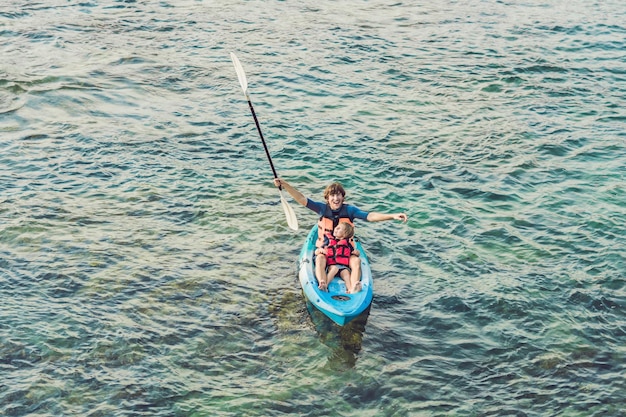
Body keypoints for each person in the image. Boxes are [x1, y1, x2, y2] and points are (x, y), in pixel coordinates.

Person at [273, 178, 407, 293]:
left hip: (345, 253)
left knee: (356, 261)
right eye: (332, 195)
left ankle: (354, 286)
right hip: (326, 250)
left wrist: (392, 216)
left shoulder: (350, 210)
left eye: (338, 195)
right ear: (327, 198)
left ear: (343, 197)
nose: (336, 198)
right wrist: (285, 184)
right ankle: (322, 283)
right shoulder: (322, 209)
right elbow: (302, 199)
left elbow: (369, 216)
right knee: (319, 259)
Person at [315, 221, 360, 292]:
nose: (335, 229)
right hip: (332, 265)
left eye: (339, 229)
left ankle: (351, 288)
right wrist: (320, 250)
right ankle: (325, 284)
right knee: (334, 269)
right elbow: (318, 250)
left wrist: (357, 253)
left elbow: (352, 252)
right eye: (336, 227)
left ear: (344, 234)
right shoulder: (328, 241)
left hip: (343, 266)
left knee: (346, 274)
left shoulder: (347, 244)